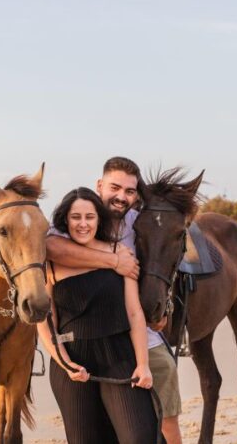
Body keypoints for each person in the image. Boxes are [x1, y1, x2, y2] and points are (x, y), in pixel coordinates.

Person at [46, 156, 183, 444]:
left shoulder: (139, 221)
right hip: (79, 348)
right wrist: (112, 262)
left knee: (163, 421)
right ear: (100, 185)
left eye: (130, 191)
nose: (121, 197)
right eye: (115, 188)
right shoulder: (71, 224)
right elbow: (52, 253)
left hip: (133, 341)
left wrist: (163, 309)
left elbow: (163, 261)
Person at [36, 187, 159, 443]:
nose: (83, 224)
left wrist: (143, 364)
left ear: (98, 219)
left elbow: (135, 314)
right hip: (74, 360)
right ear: (65, 220)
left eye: (89, 217)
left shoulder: (120, 253)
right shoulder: (51, 263)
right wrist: (65, 362)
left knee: (140, 437)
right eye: (76, 217)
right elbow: (46, 324)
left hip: (119, 356)